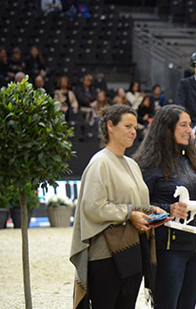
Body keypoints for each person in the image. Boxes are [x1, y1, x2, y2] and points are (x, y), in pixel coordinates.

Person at [70, 104, 168, 308]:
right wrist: (130, 214)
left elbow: (134, 203)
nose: (133, 131)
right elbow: (94, 208)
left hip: (131, 253)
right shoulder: (100, 162)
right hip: (106, 256)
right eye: (127, 126)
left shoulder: (132, 163)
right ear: (110, 127)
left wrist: (151, 211)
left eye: (135, 127)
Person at [133, 105, 196, 309]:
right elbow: (140, 207)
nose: (190, 130)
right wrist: (167, 207)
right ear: (166, 128)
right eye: (183, 125)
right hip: (168, 249)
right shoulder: (147, 164)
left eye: (189, 125)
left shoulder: (192, 160)